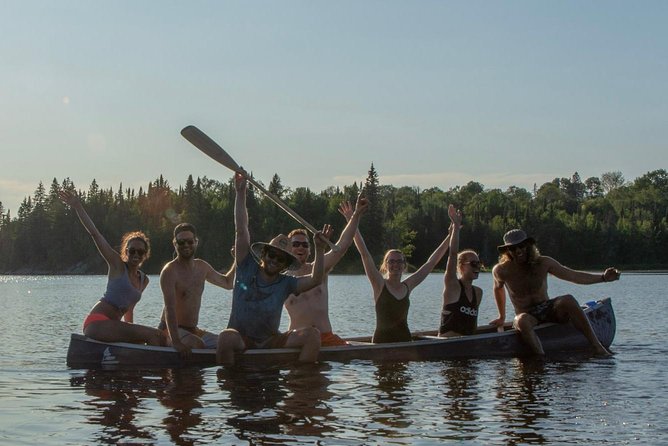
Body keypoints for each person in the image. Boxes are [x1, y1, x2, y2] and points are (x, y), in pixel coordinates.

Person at [216, 172, 332, 365]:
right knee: (225, 338)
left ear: (286, 264)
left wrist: (319, 249)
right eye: (272, 255)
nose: (274, 261)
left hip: (271, 340)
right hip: (242, 338)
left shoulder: (286, 283)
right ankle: (232, 383)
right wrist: (240, 192)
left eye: (281, 258)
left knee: (312, 336)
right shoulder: (245, 265)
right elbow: (241, 229)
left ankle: (302, 381)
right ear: (264, 254)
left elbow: (315, 280)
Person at [59, 189, 165, 345]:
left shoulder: (144, 280)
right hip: (97, 322)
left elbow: (129, 309)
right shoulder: (117, 265)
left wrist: (134, 340)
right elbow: (95, 234)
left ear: (145, 254)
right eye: (132, 250)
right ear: (126, 252)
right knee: (155, 335)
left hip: (114, 326)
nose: (136, 254)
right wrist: (77, 206)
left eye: (140, 251)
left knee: (155, 337)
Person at [490, 228, 620, 356]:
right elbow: (498, 288)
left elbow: (573, 276)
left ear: (528, 245)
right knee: (521, 321)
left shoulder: (543, 263)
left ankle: (597, 347)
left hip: (547, 308)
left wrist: (603, 278)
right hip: (527, 314)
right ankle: (541, 358)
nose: (518, 250)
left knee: (567, 299)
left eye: (521, 246)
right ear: (508, 251)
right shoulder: (501, 270)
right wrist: (501, 316)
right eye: (513, 248)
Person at [350, 209, 451, 343]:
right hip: (382, 342)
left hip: (405, 341)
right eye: (391, 261)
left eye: (399, 261)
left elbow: (431, 262)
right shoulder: (379, 284)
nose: (395, 264)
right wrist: (352, 221)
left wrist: (451, 235)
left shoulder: (408, 285)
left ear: (404, 265)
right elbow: (364, 253)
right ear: (385, 265)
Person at [284, 194, 368, 347]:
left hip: (326, 338)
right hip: (297, 340)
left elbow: (343, 244)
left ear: (310, 249)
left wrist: (356, 215)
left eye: (305, 245)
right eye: (296, 244)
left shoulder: (319, 269)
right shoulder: (282, 279)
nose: (300, 248)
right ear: (289, 248)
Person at [159, 223, 236, 358]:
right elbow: (169, 309)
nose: (186, 245)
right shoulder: (169, 271)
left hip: (193, 330)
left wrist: (237, 260)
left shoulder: (202, 267)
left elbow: (228, 283)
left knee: (228, 343)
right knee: (197, 344)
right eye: (181, 242)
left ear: (196, 242)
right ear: (174, 243)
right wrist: (176, 342)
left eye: (189, 241)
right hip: (170, 330)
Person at [438, 205, 483, 337]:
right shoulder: (452, 285)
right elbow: (452, 254)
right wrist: (456, 228)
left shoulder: (478, 293)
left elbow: (472, 325)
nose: (477, 268)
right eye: (473, 264)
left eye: (479, 264)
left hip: (468, 348)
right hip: (449, 349)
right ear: (461, 266)